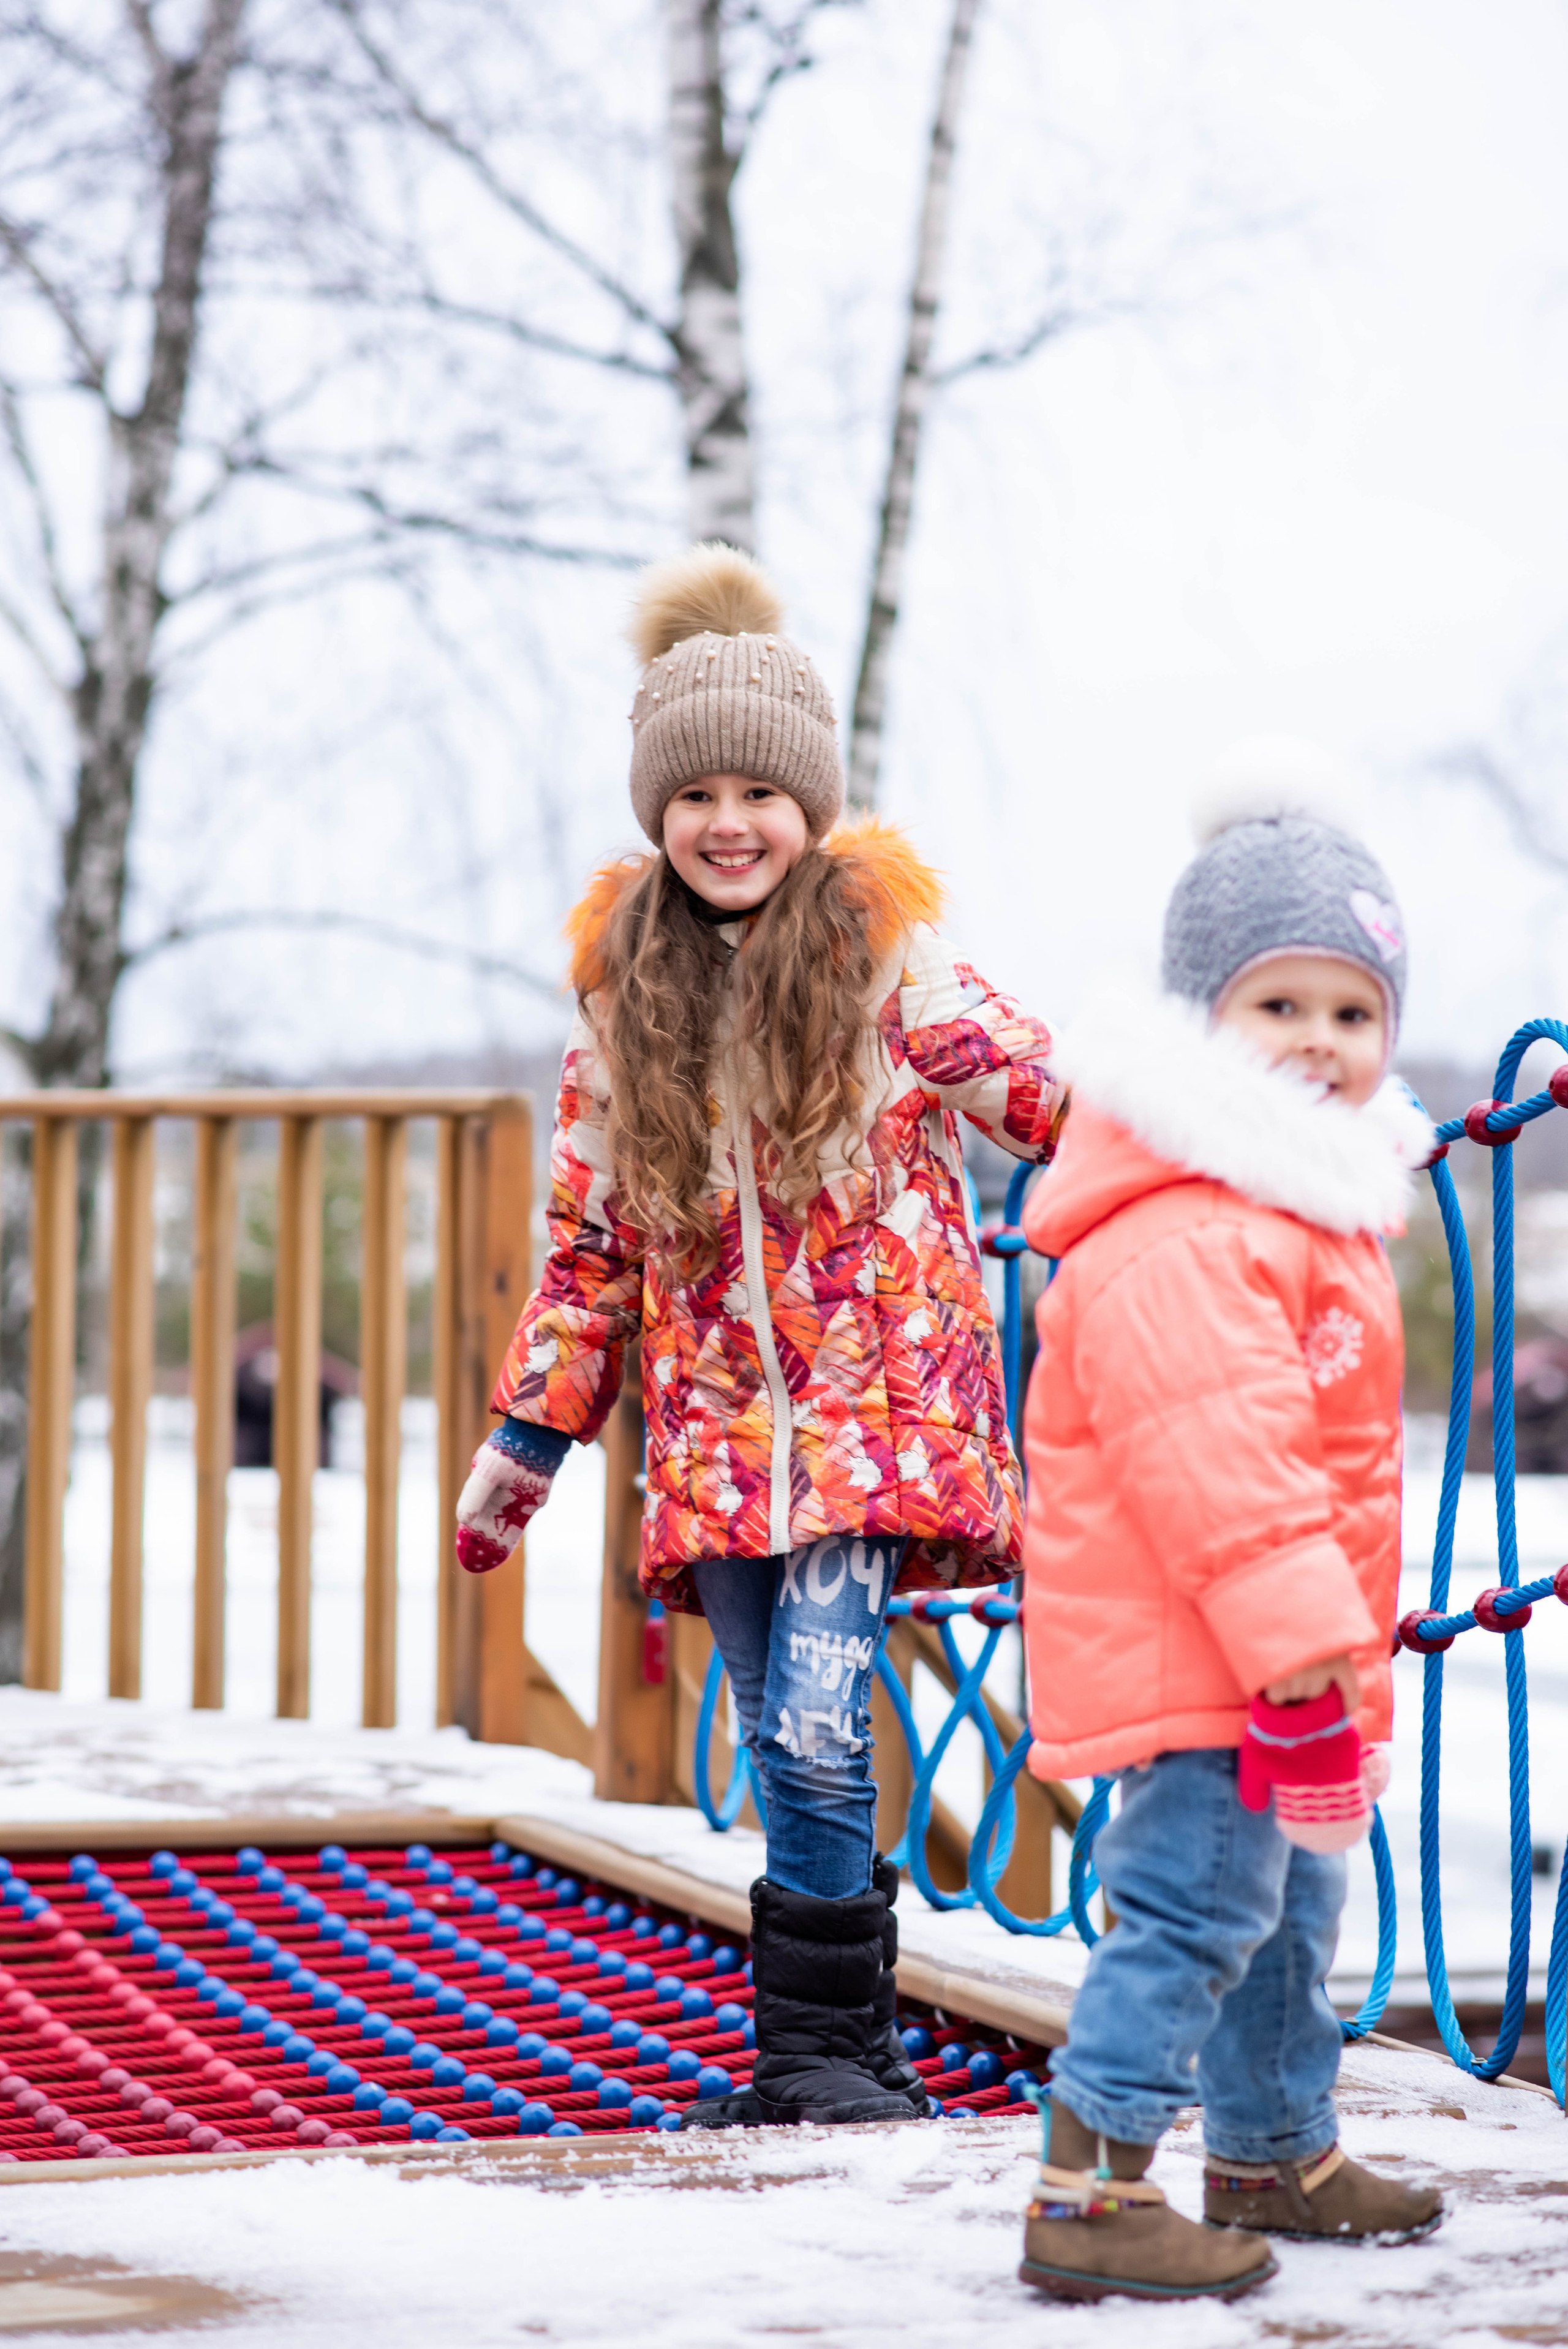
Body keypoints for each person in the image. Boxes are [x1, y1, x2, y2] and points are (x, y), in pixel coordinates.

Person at [455, 542, 1061, 2127]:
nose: (731, 821)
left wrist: (959, 1035)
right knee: (775, 1730)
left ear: (815, 806)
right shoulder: (627, 998)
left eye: (762, 792)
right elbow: (592, 1243)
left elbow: (1044, 1100)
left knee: (810, 1726)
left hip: (879, 1415)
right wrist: (530, 1436)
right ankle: (831, 2055)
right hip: (720, 1437)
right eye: (697, 792)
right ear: (657, 813)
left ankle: (821, 2060)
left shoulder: (886, 953)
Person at [1014, 760, 1444, 2302]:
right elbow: (1218, 1456)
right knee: (1197, 1908)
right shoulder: (1190, 1217)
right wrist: (1296, 1651)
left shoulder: (1289, 1205)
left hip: (1270, 1643)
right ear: (1203, 1018)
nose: (1319, 1044)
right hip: (1218, 1646)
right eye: (1279, 1009)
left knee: (1286, 1907)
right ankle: (1086, 2187)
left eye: (1350, 1013)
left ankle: (1270, 2148)